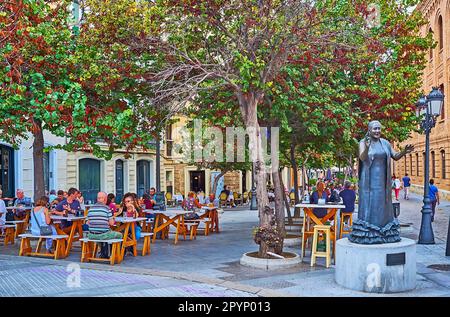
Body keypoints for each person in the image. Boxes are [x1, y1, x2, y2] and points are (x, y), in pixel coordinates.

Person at [349, 120, 414, 244]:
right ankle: (368, 232)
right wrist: (367, 147)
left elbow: (395, 156)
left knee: (382, 205)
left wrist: (404, 152)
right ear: (369, 130)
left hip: (382, 181)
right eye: (375, 129)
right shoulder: (363, 142)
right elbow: (362, 158)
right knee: (370, 204)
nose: (377, 131)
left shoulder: (385, 143)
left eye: (379, 129)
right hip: (368, 180)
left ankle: (383, 230)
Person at [86, 192, 122, 258]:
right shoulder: (107, 208)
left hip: (91, 235)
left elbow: (87, 223)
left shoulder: (90, 209)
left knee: (105, 232)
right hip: (103, 235)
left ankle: (103, 253)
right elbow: (111, 223)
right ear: (105, 199)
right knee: (119, 235)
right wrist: (112, 219)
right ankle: (114, 254)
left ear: (97, 199)